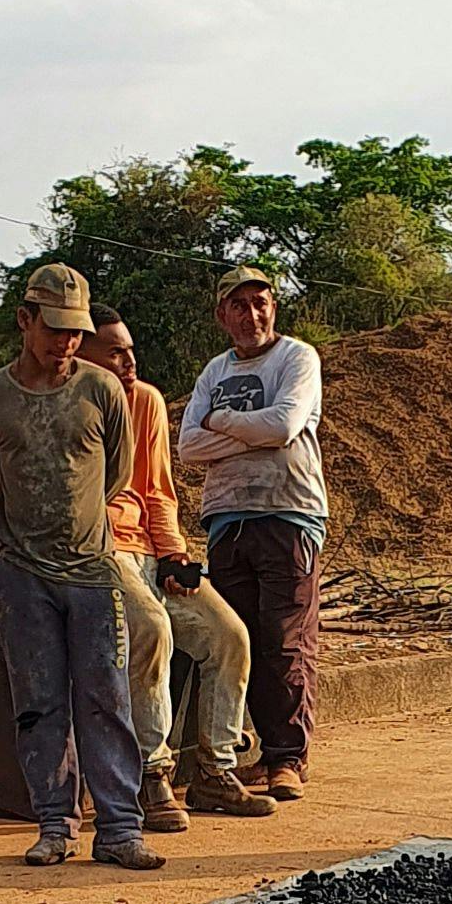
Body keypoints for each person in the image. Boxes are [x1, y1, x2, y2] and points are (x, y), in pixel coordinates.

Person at [0, 264, 163, 873]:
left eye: (76, 332)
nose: (66, 344)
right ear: (26, 322)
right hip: (23, 574)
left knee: (106, 697)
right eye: (55, 330)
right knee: (38, 701)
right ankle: (54, 822)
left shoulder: (102, 390)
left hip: (94, 571)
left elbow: (118, 475)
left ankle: (120, 828)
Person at [78, 310, 269, 824]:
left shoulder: (145, 401)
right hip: (102, 551)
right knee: (153, 630)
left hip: (147, 549)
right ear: (81, 356)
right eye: (115, 353)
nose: (130, 361)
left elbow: (157, 492)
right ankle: (152, 774)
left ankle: (214, 772)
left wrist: (174, 553)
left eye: (130, 349)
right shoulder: (64, 405)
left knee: (229, 635)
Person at [179, 265, 326, 801]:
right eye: (238, 305)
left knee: (285, 641)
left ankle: (287, 758)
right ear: (222, 315)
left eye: (260, 302)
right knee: (236, 640)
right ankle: (245, 757)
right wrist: (253, 436)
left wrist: (223, 424)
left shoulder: (297, 358)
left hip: (289, 512)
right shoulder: (212, 372)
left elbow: (285, 426)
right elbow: (188, 447)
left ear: (274, 307)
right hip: (226, 519)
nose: (252, 314)